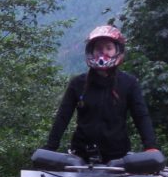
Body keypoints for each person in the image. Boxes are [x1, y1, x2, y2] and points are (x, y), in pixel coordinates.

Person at [45, 25, 158, 162]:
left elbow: (141, 116)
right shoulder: (78, 83)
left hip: (118, 158)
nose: (103, 53)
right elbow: (63, 116)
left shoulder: (129, 83)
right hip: (80, 156)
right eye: (98, 48)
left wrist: (150, 146)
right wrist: (50, 147)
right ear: (91, 51)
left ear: (117, 50)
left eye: (108, 48)